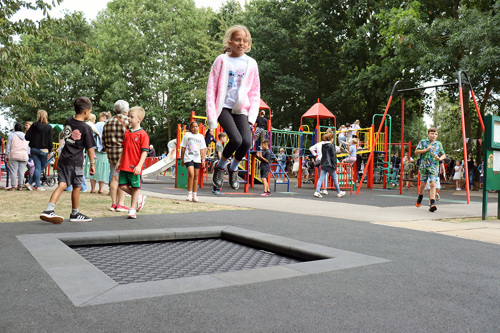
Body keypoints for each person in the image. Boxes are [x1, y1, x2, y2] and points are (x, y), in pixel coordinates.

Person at [207, 25, 260, 191]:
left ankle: (233, 168)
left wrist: (252, 116)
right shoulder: (222, 60)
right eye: (237, 40)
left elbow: (254, 91)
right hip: (222, 107)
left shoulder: (251, 63)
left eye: (245, 41)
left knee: (246, 142)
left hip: (240, 109)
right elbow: (211, 88)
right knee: (235, 139)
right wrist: (211, 118)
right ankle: (220, 166)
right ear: (230, 41)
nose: (241, 43)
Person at [39, 97, 96, 224]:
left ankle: (49, 209)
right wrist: (92, 164)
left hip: (64, 159)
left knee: (63, 184)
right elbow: (90, 148)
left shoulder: (68, 121)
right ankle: (75, 213)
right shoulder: (86, 128)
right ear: (86, 112)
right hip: (75, 161)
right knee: (77, 185)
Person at [115, 106, 149, 219]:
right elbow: (124, 149)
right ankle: (139, 198)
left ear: (139, 119)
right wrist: (119, 162)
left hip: (134, 166)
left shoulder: (143, 134)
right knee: (122, 186)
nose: (129, 119)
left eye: (132, 117)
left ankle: (132, 209)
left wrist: (139, 166)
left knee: (135, 188)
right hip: (124, 164)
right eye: (128, 116)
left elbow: (144, 152)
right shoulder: (127, 133)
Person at [102, 100, 130, 212]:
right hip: (123, 154)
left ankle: (113, 204)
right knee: (123, 178)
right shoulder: (127, 121)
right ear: (126, 111)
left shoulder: (107, 122)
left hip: (111, 153)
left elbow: (103, 139)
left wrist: (107, 150)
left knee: (114, 178)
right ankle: (121, 204)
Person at [414, 127, 446, 212]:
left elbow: (444, 155)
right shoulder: (423, 142)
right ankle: (420, 196)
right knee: (423, 184)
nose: (434, 135)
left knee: (433, 184)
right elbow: (416, 152)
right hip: (424, 165)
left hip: (434, 166)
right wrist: (425, 150)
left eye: (436, 134)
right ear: (428, 134)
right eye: (432, 134)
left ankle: (432, 203)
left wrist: (439, 158)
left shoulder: (438, 144)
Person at [25, 110, 53, 191]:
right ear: (46, 116)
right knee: (40, 168)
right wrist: (50, 151)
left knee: (38, 168)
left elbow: (27, 137)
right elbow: (50, 141)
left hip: (34, 149)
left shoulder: (33, 125)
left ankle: (29, 183)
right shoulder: (48, 127)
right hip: (44, 150)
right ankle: (38, 185)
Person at [180, 121, 207, 202]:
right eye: (193, 127)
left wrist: (203, 159)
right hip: (188, 157)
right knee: (191, 174)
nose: (195, 128)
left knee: (196, 176)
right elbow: (183, 147)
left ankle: (195, 195)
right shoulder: (187, 135)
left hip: (197, 158)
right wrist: (182, 159)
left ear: (199, 127)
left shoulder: (201, 137)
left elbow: (202, 149)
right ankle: (189, 193)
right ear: (190, 128)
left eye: (196, 126)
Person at [313, 132, 346, 198]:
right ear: (331, 138)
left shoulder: (323, 145)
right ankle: (339, 192)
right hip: (330, 164)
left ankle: (317, 191)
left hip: (323, 163)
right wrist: (334, 166)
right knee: (335, 178)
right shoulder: (331, 146)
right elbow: (333, 157)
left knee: (321, 178)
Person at [88, 112, 111, 194]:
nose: (98, 119)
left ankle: (93, 188)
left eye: (100, 117)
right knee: (103, 170)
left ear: (104, 117)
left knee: (93, 168)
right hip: (105, 151)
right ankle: (101, 189)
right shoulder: (109, 125)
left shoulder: (98, 124)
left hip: (95, 149)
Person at [5, 122, 29, 191]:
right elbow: (27, 147)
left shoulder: (11, 135)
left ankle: (13, 186)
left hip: (14, 155)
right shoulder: (25, 136)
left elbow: (8, 146)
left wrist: (6, 155)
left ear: (15, 128)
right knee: (21, 171)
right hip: (24, 155)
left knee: (13, 171)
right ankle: (20, 186)